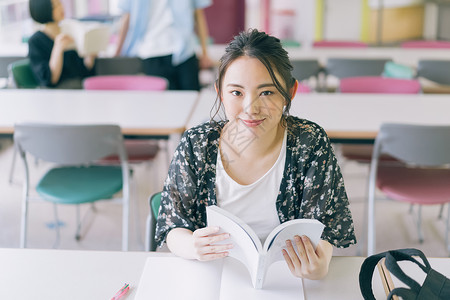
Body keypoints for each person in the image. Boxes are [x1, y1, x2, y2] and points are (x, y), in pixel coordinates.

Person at [155, 29, 356, 280]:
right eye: (237, 92)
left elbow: (324, 225)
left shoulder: (309, 142)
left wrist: (320, 263)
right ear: (220, 92)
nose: (251, 108)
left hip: (287, 280)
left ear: (289, 93)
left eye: (267, 92)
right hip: (214, 276)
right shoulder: (197, 144)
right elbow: (173, 225)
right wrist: (191, 246)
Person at [114, 0, 214, 91]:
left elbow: (198, 15)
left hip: (184, 52)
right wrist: (117, 54)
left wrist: (205, 53)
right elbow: (127, 17)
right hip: (151, 53)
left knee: (192, 99)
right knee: (161, 106)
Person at [28, 0, 95, 88]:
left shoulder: (71, 32)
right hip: (56, 95)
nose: (61, 8)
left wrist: (91, 54)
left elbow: (83, 72)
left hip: (79, 88)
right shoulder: (36, 41)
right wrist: (58, 48)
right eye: (55, 6)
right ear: (43, 9)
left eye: (60, 3)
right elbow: (51, 80)